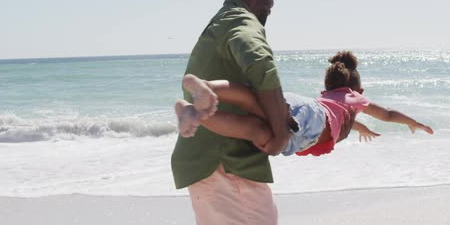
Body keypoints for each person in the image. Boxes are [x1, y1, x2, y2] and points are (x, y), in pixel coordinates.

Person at [170, 0, 292, 225]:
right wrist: (280, 135)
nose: (272, 5)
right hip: (226, 167)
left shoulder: (219, 22)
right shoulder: (242, 21)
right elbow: (260, 62)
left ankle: (195, 104)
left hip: (205, 165)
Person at [175, 50, 434, 157]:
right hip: (308, 126)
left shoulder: (330, 101)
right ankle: (199, 113)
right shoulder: (354, 99)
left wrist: (360, 128)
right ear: (359, 91)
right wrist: (412, 122)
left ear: (326, 88)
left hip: (302, 106)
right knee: (257, 132)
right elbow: (387, 114)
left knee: (253, 101)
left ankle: (202, 96)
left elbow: (338, 118)